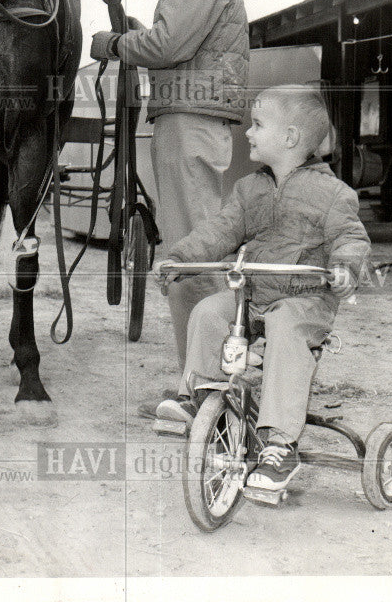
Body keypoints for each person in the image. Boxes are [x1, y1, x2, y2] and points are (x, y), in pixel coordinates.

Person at [155, 85, 370, 492]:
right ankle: (200, 399)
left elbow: (351, 237)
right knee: (209, 312)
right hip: (254, 296)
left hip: (305, 301)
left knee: (288, 330)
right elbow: (220, 231)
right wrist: (182, 257)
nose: (248, 133)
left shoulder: (332, 194)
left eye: (257, 125)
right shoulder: (248, 189)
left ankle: (279, 444)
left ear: (289, 138)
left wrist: (344, 267)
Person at [90, 0, 249, 415]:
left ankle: (204, 391)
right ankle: (200, 383)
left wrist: (114, 43)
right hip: (187, 115)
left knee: (193, 255)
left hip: (190, 119)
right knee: (191, 250)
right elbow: (172, 39)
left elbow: (166, 43)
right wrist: (140, 35)